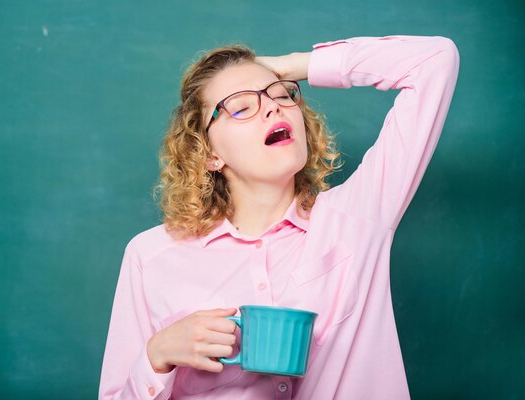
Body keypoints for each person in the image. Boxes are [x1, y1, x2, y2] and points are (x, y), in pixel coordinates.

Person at [99, 35, 460, 399]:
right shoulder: (150, 257)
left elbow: (434, 60)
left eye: (282, 94)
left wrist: (295, 66)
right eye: (241, 107)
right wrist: (157, 357)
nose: (273, 107)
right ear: (208, 153)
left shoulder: (357, 218)